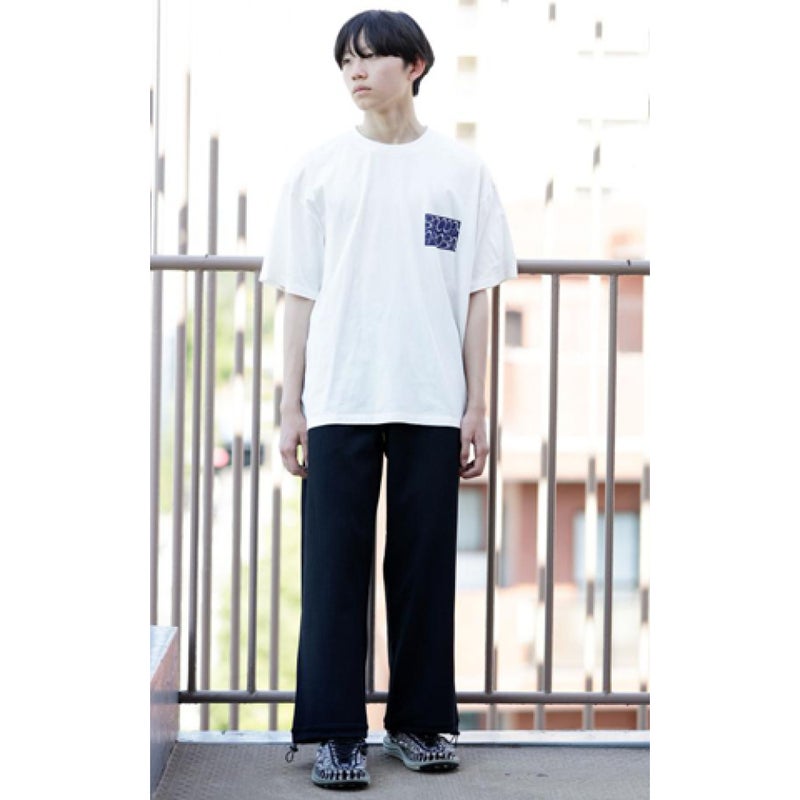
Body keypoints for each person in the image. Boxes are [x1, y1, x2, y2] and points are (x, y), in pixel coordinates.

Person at [261, 9, 517, 790]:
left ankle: (418, 723)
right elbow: (297, 296)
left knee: (423, 569)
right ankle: (336, 736)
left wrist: (478, 407)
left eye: (370, 58)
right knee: (333, 570)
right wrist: (290, 406)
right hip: (339, 394)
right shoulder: (319, 170)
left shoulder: (461, 173)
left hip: (432, 398)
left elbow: (479, 296)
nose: (355, 72)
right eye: (346, 61)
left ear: (414, 67)